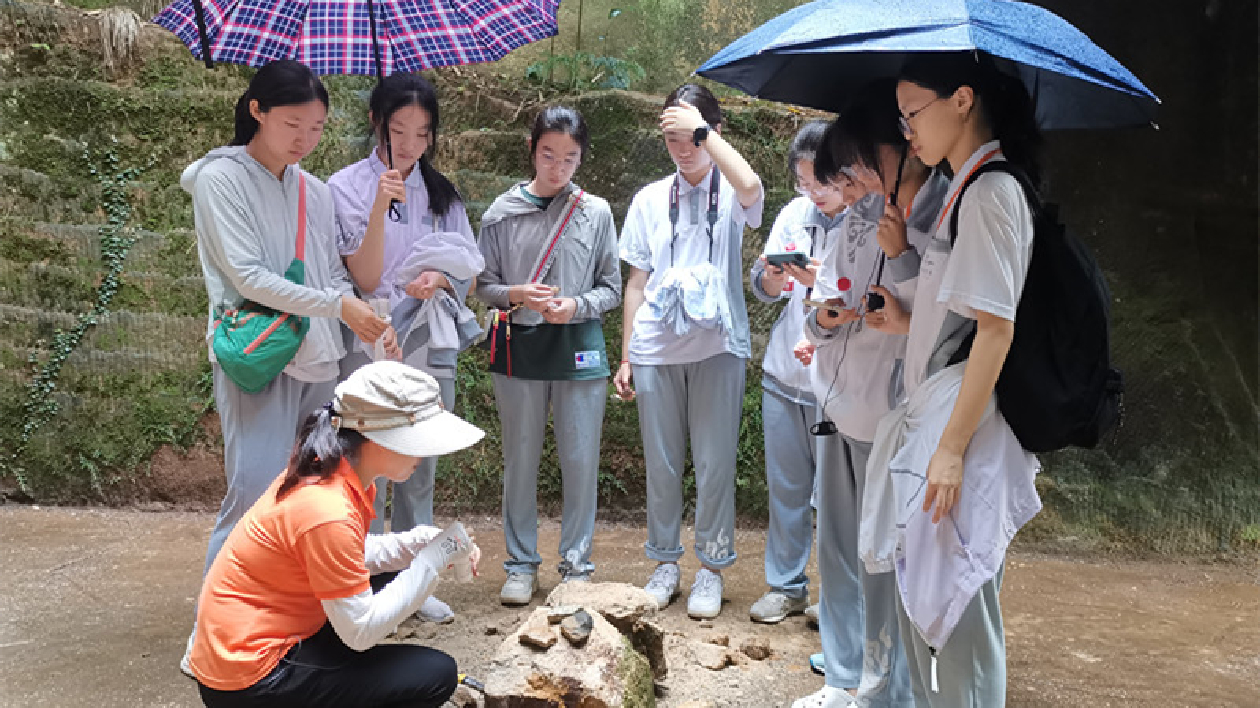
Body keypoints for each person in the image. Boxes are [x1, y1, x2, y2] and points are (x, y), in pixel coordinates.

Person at [860, 51, 1044, 707]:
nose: (906, 129)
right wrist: (905, 320)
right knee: (932, 609)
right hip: (942, 419)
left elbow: (996, 332)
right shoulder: (961, 190)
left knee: (957, 618)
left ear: (961, 100)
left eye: (913, 113)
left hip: (961, 436)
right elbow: (962, 322)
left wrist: (950, 451)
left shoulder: (991, 194)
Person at [182, 59, 392, 580]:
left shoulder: (313, 191)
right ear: (257, 110)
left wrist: (369, 321)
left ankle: (290, 622)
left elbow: (331, 276)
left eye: (316, 127)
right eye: (292, 124)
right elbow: (249, 278)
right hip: (257, 354)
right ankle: (214, 635)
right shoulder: (219, 179)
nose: (305, 138)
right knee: (255, 489)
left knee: (312, 492)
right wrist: (337, 304)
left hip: (318, 357)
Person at [189, 361, 486, 708]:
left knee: (394, 573)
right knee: (436, 675)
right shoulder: (326, 509)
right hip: (252, 681)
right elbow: (359, 632)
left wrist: (422, 541)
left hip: (250, 651)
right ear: (378, 436)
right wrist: (432, 559)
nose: (426, 453)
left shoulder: (334, 471)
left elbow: (351, 555)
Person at [792, 80, 949, 708]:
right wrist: (825, 316)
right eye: (849, 172)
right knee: (838, 548)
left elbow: (939, 320)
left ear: (901, 147)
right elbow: (816, 302)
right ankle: (843, 675)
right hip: (838, 405)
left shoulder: (941, 210)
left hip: (895, 418)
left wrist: (902, 254)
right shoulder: (854, 218)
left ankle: (888, 689)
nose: (854, 183)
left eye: (861, 167)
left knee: (887, 558)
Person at [328, 73, 483, 623]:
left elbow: (467, 271)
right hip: (369, 335)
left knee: (418, 462)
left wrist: (439, 279)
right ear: (377, 124)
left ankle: (412, 581)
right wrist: (378, 204)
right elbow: (353, 276)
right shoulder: (344, 186)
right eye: (399, 130)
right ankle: (360, 581)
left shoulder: (443, 195)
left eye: (423, 132)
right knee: (364, 461)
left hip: (427, 335)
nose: (411, 144)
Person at [616, 84, 764, 620]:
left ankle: (712, 568)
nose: (682, 147)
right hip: (656, 346)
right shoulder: (650, 199)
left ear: (714, 132)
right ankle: (664, 562)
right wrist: (628, 353)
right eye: (673, 136)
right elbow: (637, 282)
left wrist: (704, 131)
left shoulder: (732, 192)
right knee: (662, 463)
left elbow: (750, 184)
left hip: (717, 347)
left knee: (715, 461)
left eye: (693, 135)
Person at [473, 106, 621, 606]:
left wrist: (576, 305)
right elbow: (483, 286)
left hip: (578, 346)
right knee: (520, 458)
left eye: (570, 158)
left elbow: (611, 288)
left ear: (582, 158)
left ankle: (577, 565)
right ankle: (520, 563)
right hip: (520, 347)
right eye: (548, 155)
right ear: (532, 150)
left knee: (580, 460)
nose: (557, 168)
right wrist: (518, 293)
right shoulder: (500, 213)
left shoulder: (595, 212)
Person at [746, 120, 848, 624]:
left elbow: (855, 301)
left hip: (838, 385)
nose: (813, 193)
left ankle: (835, 597)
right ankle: (786, 587)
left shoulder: (865, 221)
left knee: (834, 503)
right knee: (786, 491)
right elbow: (764, 287)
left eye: (822, 183)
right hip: (785, 376)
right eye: (804, 182)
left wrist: (818, 283)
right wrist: (768, 274)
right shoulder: (794, 213)